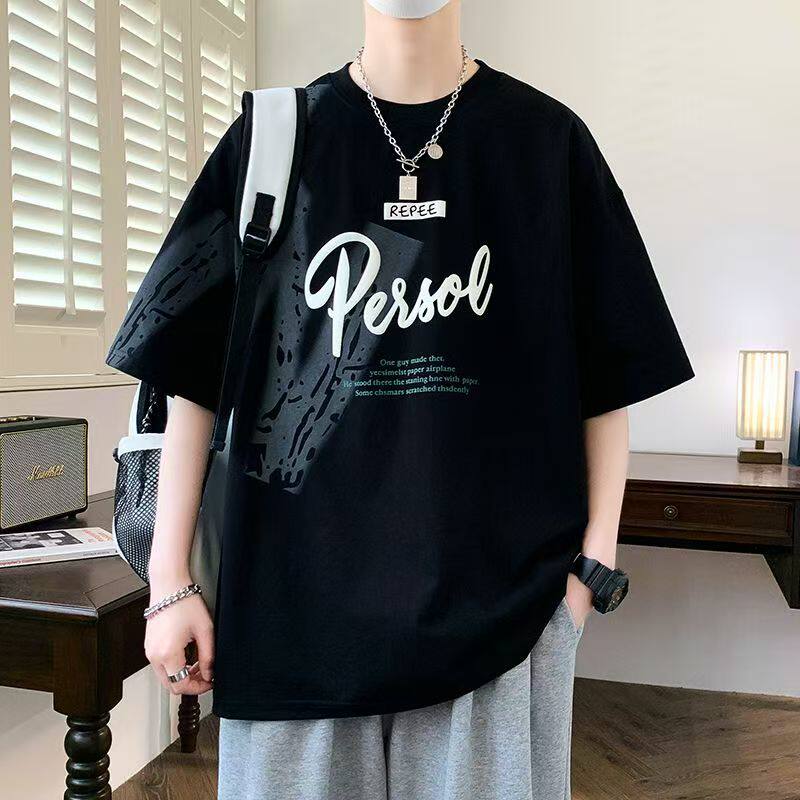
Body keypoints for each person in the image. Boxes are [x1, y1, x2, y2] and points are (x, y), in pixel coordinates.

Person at [107, 1, 694, 797]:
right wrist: (168, 581)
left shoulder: (545, 143)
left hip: (500, 622)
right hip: (293, 622)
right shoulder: (274, 139)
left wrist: (592, 571)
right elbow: (189, 372)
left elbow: (608, 376)